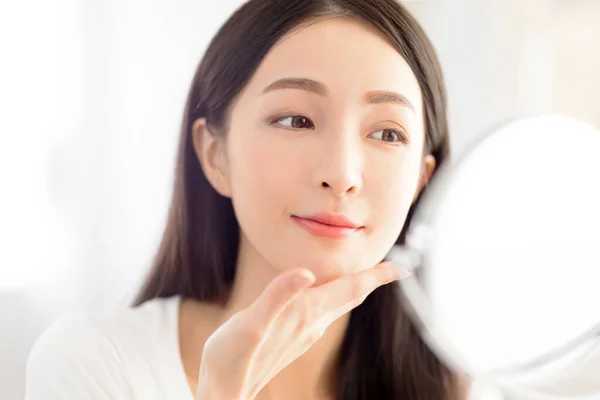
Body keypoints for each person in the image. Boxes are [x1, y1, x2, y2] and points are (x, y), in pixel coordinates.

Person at [25, 0, 463, 399]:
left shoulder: (459, 385)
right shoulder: (96, 363)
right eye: (296, 120)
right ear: (216, 155)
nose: (341, 174)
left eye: (387, 133)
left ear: (421, 184)